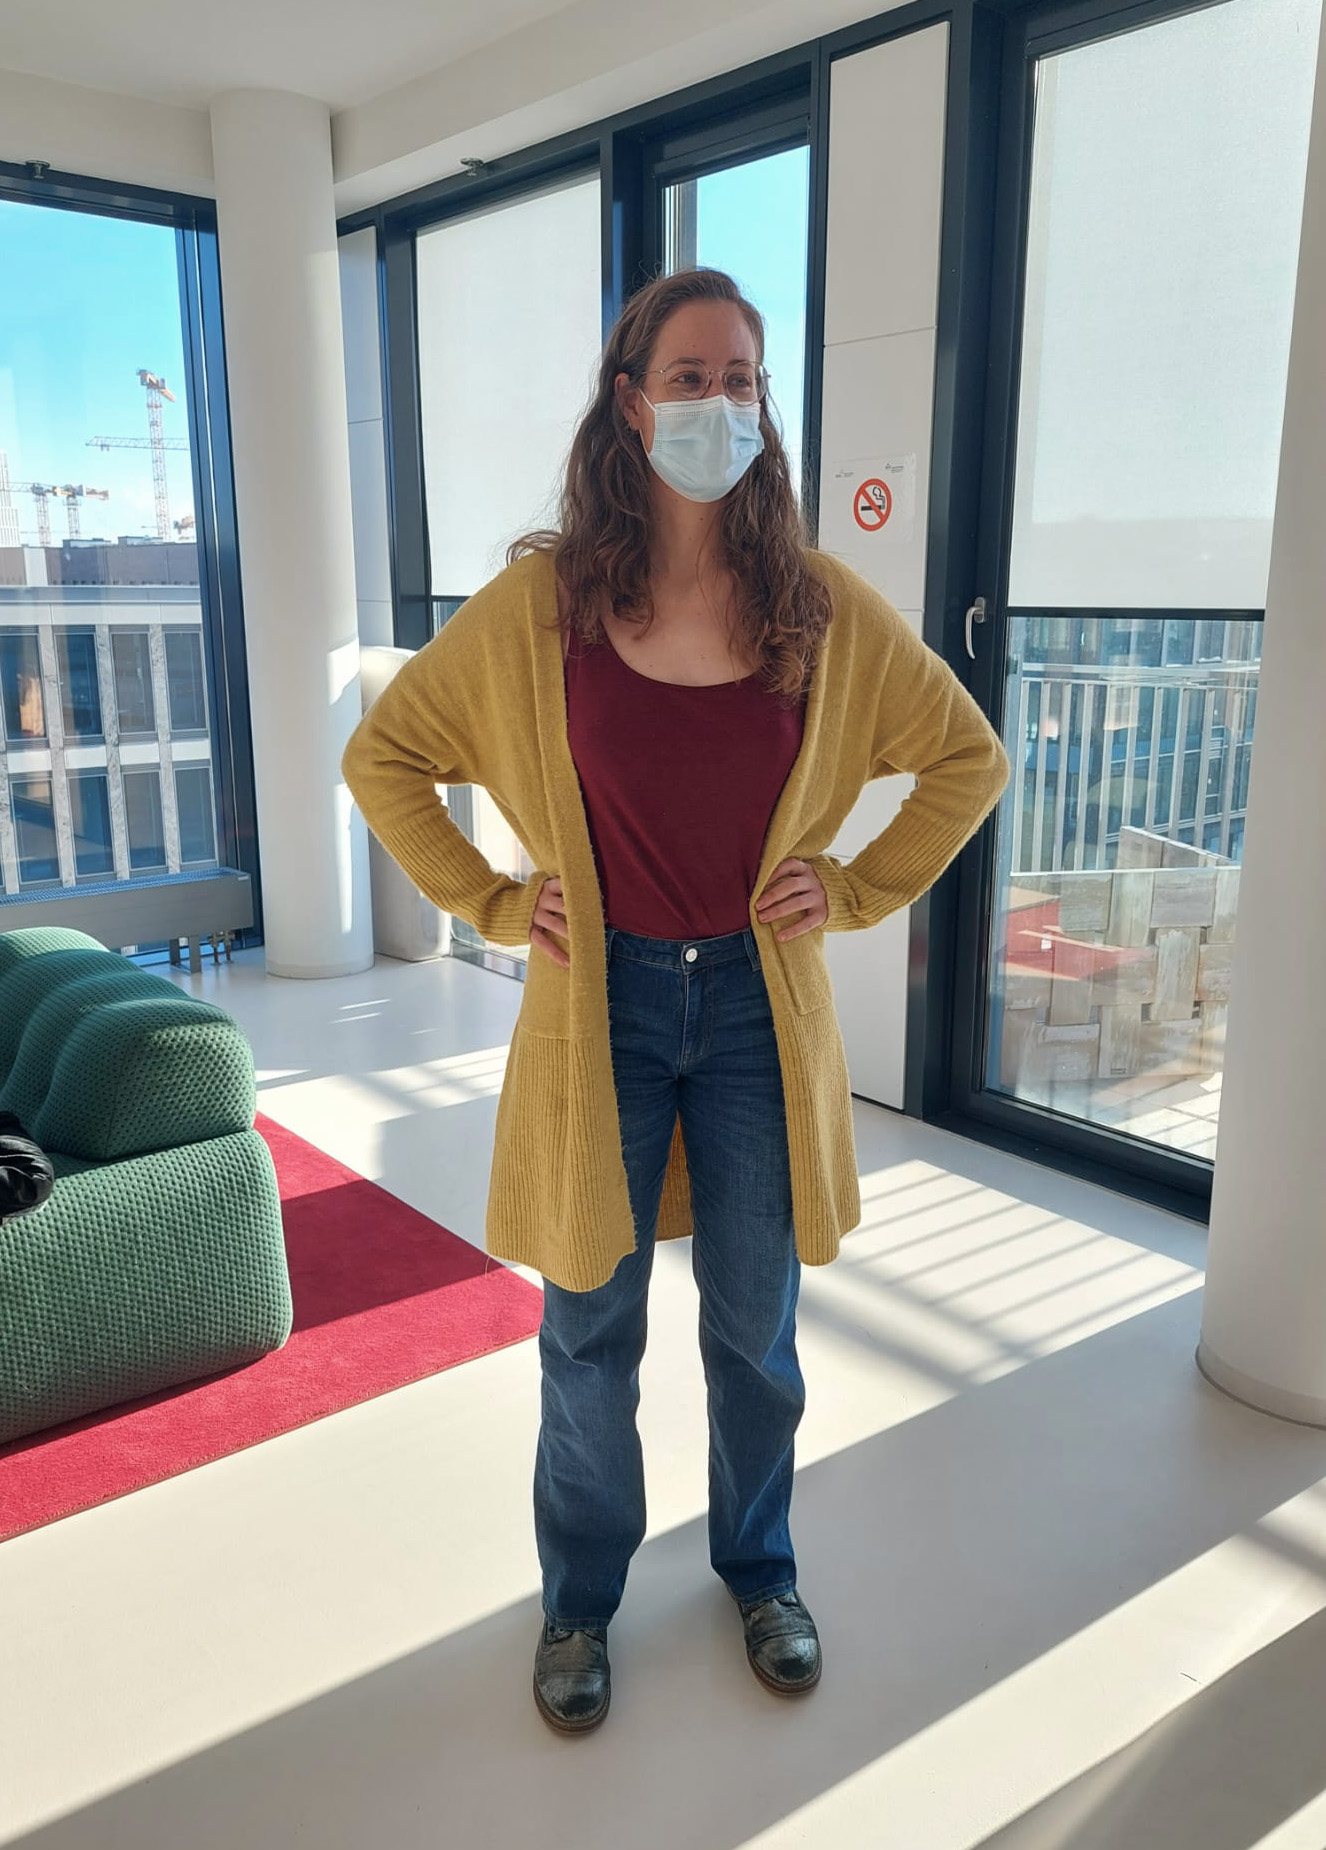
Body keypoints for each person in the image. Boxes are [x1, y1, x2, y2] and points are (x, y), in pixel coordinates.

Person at [342, 266, 1010, 1736]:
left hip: (759, 1012)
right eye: (690, 377)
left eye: (742, 379)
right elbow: (385, 755)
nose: (719, 403)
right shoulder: (543, 606)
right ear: (631, 404)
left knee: (755, 1321)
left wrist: (853, 887)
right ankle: (580, 1597)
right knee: (590, 1321)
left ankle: (759, 1570)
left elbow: (966, 755)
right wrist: (494, 900)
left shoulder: (816, 605)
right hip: (608, 1009)